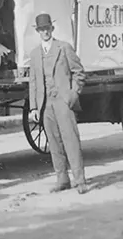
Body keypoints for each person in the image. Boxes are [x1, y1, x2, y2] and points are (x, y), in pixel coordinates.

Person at [27, 13, 88, 195]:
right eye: (41, 29)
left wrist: (72, 95)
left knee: (71, 140)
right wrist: (33, 107)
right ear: (37, 31)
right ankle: (62, 179)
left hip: (62, 101)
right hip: (45, 104)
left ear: (52, 29)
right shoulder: (35, 54)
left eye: (47, 28)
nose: (45, 31)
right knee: (54, 142)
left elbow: (79, 73)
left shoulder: (64, 48)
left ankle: (80, 181)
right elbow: (33, 82)